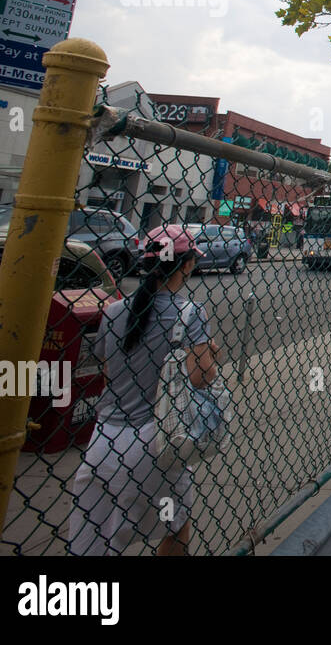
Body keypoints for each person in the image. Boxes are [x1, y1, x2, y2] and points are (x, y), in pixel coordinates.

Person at [67, 225, 219, 556]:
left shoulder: (114, 311)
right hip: (157, 442)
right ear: (188, 265)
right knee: (174, 524)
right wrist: (211, 356)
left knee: (94, 536)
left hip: (104, 441)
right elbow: (201, 376)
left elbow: (108, 371)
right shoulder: (190, 313)